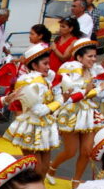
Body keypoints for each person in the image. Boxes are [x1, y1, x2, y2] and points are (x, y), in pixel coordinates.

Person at [49, 38, 104, 188]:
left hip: (89, 114)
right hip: (71, 113)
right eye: (90, 56)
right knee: (70, 151)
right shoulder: (69, 70)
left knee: (87, 151)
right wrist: (96, 89)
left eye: (95, 56)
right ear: (79, 57)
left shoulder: (95, 71)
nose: (94, 59)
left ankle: (76, 181)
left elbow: (100, 95)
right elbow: (74, 97)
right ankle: (52, 168)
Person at [4, 43, 61, 176]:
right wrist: (60, 101)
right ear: (34, 65)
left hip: (45, 125)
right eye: (45, 63)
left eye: (49, 63)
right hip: (30, 126)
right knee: (36, 168)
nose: (48, 67)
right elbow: (39, 110)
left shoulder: (44, 80)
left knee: (45, 166)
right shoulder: (28, 82)